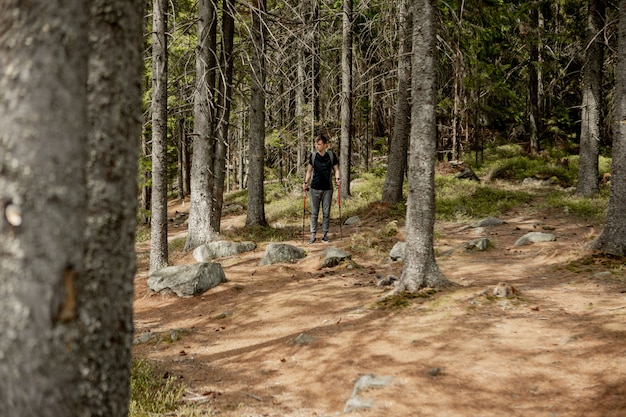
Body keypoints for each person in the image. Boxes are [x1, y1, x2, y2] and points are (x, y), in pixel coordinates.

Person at [303, 134, 340, 244]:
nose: (316, 146)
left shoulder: (331, 155)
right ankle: (313, 235)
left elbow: (336, 169)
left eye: (319, 144)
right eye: (315, 144)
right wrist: (305, 183)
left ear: (325, 145)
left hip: (327, 188)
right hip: (314, 188)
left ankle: (324, 235)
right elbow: (309, 171)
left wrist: (338, 179)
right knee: (314, 213)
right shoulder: (313, 156)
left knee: (326, 213)